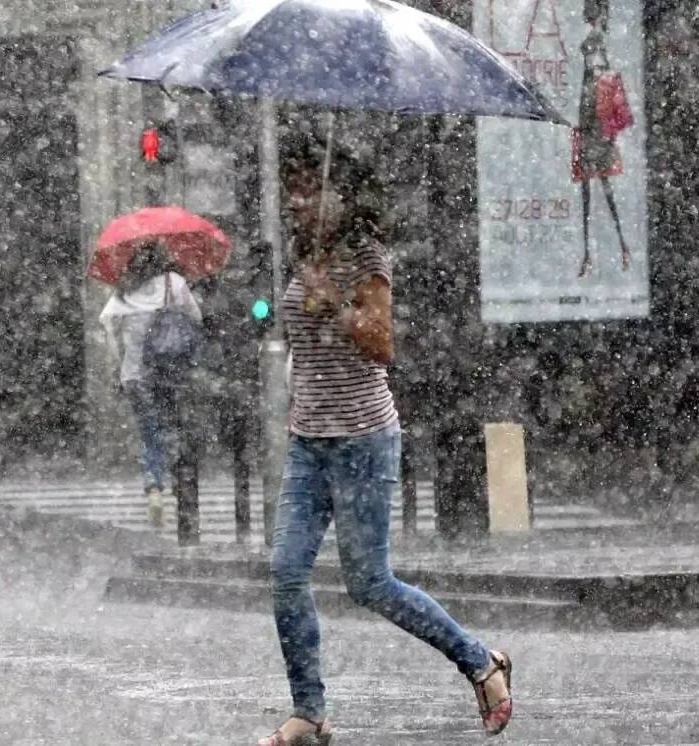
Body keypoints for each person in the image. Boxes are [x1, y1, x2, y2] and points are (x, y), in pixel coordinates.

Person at [256, 138, 513, 745]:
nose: (297, 200)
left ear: (342, 194)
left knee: (369, 582)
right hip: (308, 440)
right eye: (290, 188)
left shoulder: (367, 257)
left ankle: (480, 663)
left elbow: (380, 346)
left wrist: (336, 305)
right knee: (286, 573)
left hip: (364, 440)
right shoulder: (302, 255)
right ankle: (309, 713)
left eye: (307, 187)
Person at [99, 242, 202, 526]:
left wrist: (117, 369)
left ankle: (154, 486)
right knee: (175, 426)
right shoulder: (173, 283)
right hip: (169, 372)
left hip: (134, 375)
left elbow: (110, 335)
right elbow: (197, 318)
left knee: (149, 432)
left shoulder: (122, 293)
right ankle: (182, 482)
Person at [574, 0, 632, 277]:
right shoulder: (599, 40)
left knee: (596, 187)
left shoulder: (599, 41)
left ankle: (605, 250)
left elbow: (599, 76)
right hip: (592, 116)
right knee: (596, 187)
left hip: (594, 115)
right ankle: (607, 250)